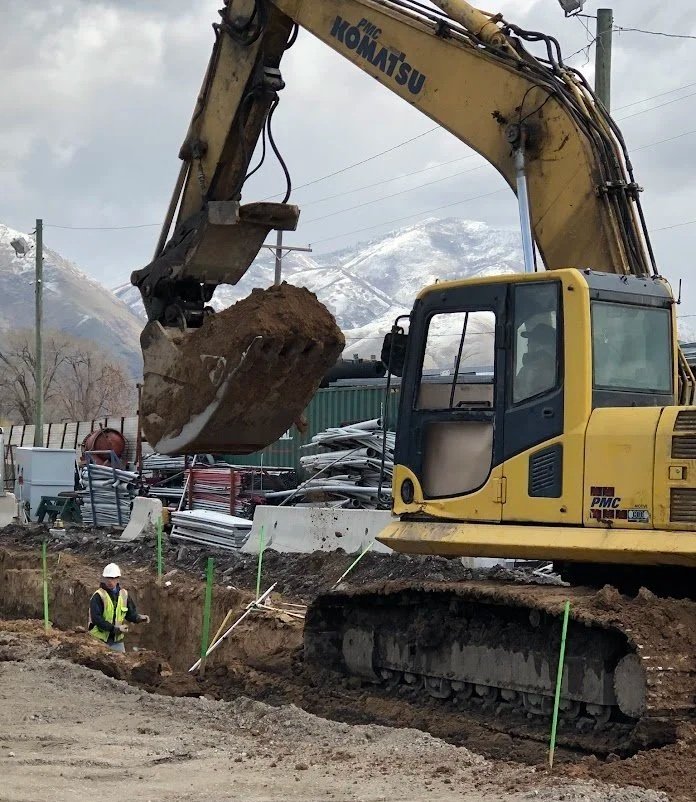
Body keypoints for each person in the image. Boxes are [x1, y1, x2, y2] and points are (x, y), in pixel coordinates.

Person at [88, 563, 150, 652]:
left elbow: (129, 614)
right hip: (98, 640)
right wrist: (114, 629)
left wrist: (138, 618)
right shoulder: (98, 596)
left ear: (118, 579)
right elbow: (97, 619)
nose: (110, 581)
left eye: (113, 578)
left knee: (121, 664)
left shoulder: (124, 595)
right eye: (108, 578)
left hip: (116, 640)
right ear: (104, 579)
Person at [515, 322, 557, 401]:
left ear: (539, 345)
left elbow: (521, 396)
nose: (528, 345)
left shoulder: (533, 369)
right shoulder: (556, 366)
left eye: (531, 341)